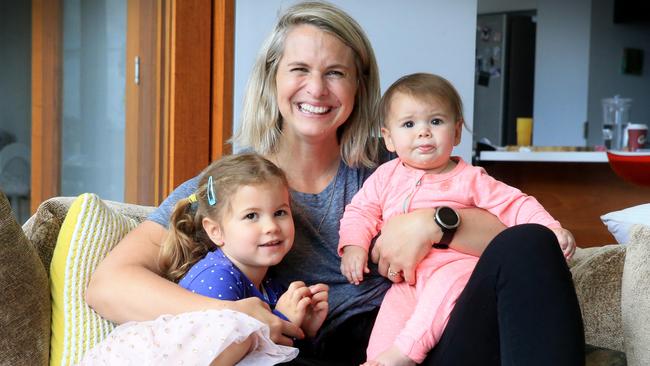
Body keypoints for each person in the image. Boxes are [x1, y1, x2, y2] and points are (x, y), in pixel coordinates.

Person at [86, 2, 584, 365]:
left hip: (419, 343)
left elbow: (518, 250)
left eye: (336, 73)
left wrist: (437, 223)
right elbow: (107, 285)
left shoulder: (392, 171)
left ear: (359, 88)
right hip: (304, 355)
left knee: (533, 241)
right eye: (299, 69)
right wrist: (238, 316)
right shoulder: (228, 188)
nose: (317, 90)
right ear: (271, 80)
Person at [337, 73, 576, 366]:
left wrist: (551, 228)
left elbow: (515, 204)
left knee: (440, 293)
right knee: (387, 326)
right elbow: (361, 211)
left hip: (456, 268)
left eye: (436, 122)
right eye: (409, 124)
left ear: (458, 131)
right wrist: (353, 246)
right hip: (406, 282)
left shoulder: (470, 179)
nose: (424, 132)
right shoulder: (385, 177)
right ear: (388, 137)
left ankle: (405, 354)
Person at [82, 153, 328, 364]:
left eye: (280, 212)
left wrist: (302, 329)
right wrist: (281, 320)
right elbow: (221, 356)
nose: (271, 226)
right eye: (252, 216)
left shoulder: (271, 284)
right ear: (216, 231)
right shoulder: (217, 278)